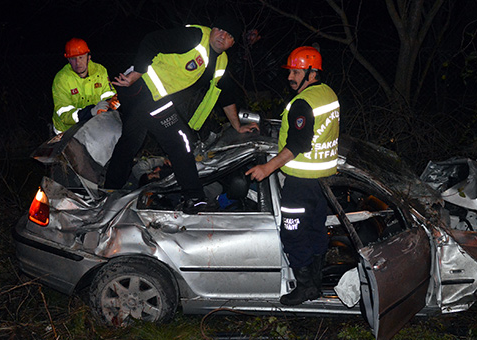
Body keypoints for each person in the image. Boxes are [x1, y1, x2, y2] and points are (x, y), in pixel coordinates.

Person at [104, 15, 259, 212]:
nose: (222, 36)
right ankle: (194, 197)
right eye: (219, 29)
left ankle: (109, 191)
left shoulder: (221, 61)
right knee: (180, 141)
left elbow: (225, 94)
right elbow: (152, 41)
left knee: (131, 142)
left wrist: (237, 125)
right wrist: (137, 72)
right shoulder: (194, 37)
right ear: (212, 29)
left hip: (150, 96)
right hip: (143, 89)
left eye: (228, 35)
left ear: (232, 43)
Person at [245, 46, 340, 305]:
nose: (291, 77)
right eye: (290, 72)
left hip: (300, 183)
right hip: (324, 182)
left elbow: (299, 144)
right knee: (316, 231)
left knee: (293, 234)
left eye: (297, 72)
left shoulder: (302, 103)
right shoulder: (328, 94)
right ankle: (317, 283)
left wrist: (267, 168)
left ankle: (306, 287)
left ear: (311, 73)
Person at [52, 38, 116, 135]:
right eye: (73, 59)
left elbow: (110, 95)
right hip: (67, 130)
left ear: (88, 57)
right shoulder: (61, 79)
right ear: (68, 60)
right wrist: (90, 112)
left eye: (81, 57)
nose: (78, 63)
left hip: (93, 124)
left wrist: (109, 105)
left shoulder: (100, 70)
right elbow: (64, 115)